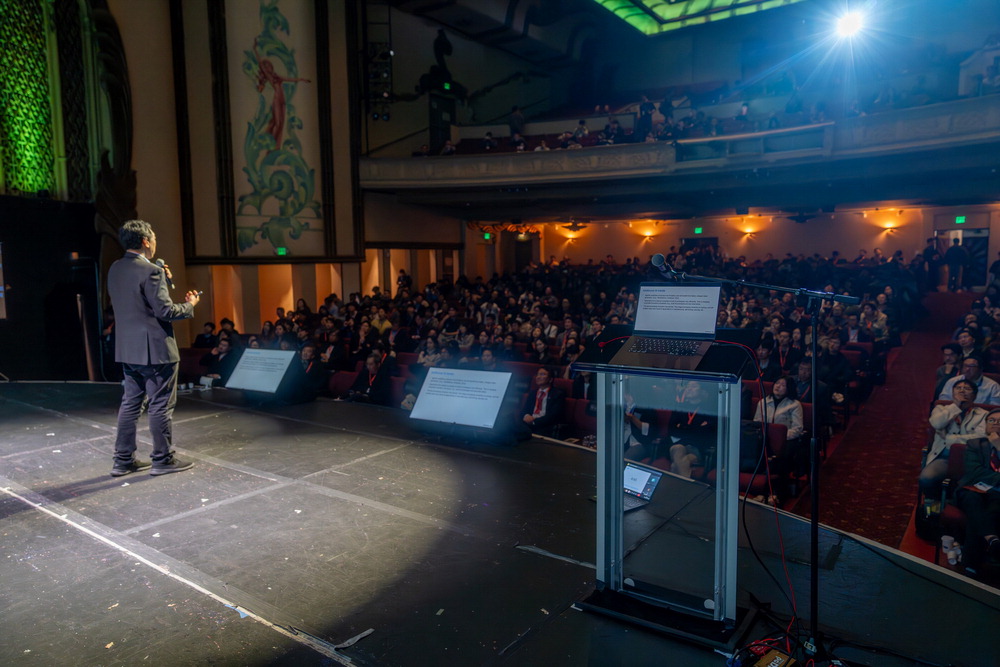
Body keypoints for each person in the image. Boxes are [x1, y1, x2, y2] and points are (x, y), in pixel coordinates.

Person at [107, 219, 200, 476]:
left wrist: (162, 280)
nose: (156, 243)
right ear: (146, 241)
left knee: (130, 404)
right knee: (160, 405)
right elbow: (166, 311)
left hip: (128, 349)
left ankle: (122, 460)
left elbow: (136, 303)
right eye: (155, 238)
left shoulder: (115, 268)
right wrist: (190, 304)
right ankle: (163, 460)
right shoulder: (151, 272)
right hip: (156, 351)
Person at [954, 408, 1000, 575]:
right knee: (973, 499)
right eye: (991, 420)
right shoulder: (975, 444)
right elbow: (975, 473)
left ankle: (970, 566)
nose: (995, 424)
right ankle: (991, 539)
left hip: (997, 494)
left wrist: (999, 447)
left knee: (982, 513)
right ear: (986, 425)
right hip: (972, 489)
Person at [921, 379, 987, 495]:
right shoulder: (941, 409)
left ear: (975, 395)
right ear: (952, 393)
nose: (962, 391)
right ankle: (934, 501)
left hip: (972, 461)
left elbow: (980, 437)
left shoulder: (984, 414)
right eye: (958, 388)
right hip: (945, 458)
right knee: (926, 478)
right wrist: (956, 406)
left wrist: (948, 438)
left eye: (967, 389)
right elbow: (937, 424)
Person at [518, 367, 566, 439]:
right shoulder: (533, 393)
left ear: (550, 379)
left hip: (545, 426)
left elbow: (553, 416)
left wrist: (534, 421)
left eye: (542, 374)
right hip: (529, 424)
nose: (538, 377)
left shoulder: (557, 394)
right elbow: (524, 410)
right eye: (537, 374)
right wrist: (526, 416)